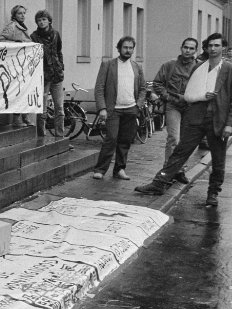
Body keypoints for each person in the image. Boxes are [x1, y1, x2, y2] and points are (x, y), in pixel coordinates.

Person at [136, 32, 232, 206]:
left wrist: (229, 125)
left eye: (217, 45)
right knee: (180, 152)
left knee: (218, 159)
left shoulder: (228, 68)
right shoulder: (199, 67)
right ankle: (159, 183)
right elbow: (191, 93)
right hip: (196, 118)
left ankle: (213, 194)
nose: (213, 48)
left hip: (217, 119)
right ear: (206, 47)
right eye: (210, 45)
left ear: (223, 47)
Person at [91, 36, 145, 180]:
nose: (128, 50)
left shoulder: (136, 66)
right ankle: (100, 170)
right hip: (113, 109)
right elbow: (99, 87)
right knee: (111, 139)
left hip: (131, 109)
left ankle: (120, 169)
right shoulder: (108, 65)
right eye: (125, 47)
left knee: (125, 140)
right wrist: (102, 108)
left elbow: (143, 88)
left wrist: (138, 106)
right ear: (119, 48)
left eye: (130, 48)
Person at [150, 38, 200, 185]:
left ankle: (180, 170)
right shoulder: (169, 65)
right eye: (186, 47)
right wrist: (167, 96)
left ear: (195, 51)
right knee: (173, 138)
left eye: (191, 48)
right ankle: (167, 171)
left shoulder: (199, 67)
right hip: (173, 106)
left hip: (191, 107)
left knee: (186, 141)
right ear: (181, 48)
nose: (188, 51)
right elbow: (157, 83)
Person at [29, 9, 64, 138]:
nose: (41, 22)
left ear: (49, 20)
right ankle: (41, 137)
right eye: (39, 20)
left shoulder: (56, 34)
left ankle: (59, 136)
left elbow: (59, 51)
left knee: (59, 109)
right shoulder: (34, 37)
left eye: (44, 19)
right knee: (41, 110)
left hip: (57, 75)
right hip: (43, 76)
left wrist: (61, 65)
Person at [0, 4, 33, 127]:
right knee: (17, 91)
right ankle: (17, 119)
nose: (22, 15)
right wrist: (17, 43)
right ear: (14, 15)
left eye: (24, 13)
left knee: (25, 90)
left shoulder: (23, 27)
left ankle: (25, 116)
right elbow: (0, 40)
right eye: (19, 13)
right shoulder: (12, 26)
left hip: (24, 64)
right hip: (15, 64)